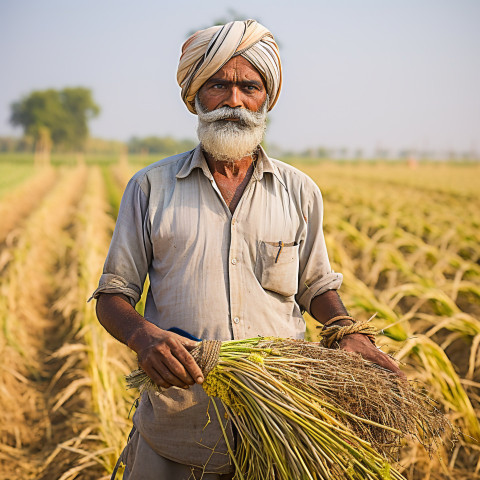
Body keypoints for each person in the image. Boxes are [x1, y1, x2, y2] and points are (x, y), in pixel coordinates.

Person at [91, 19, 403, 480]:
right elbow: (112, 295)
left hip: (283, 422)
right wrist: (143, 336)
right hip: (180, 425)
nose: (234, 100)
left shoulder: (300, 191)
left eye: (248, 87)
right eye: (218, 84)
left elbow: (315, 285)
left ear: (266, 98)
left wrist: (344, 329)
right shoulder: (150, 188)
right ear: (195, 95)